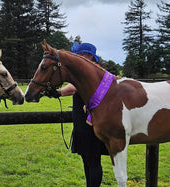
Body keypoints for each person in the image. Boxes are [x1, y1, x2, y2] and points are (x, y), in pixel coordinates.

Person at [60, 41, 109, 187]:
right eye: (78, 55)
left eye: (83, 55)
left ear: (90, 56)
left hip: (92, 123)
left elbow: (73, 87)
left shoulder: (93, 72)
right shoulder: (89, 72)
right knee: (87, 159)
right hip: (82, 122)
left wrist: (58, 92)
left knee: (93, 160)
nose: (80, 57)